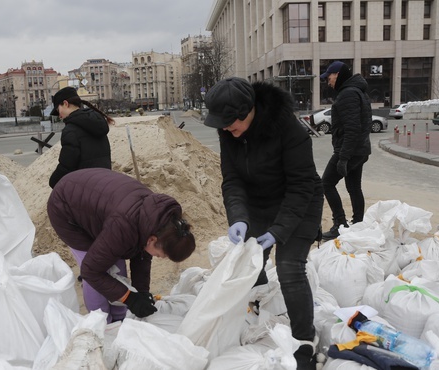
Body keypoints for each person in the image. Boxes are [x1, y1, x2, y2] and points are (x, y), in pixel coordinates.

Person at [203, 77, 324, 369]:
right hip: (259, 202)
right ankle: (257, 305)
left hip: (299, 201)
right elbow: (232, 180)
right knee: (251, 261)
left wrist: (278, 230)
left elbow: (301, 185)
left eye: (231, 124)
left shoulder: (289, 130)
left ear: (248, 111)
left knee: (289, 267)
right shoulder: (228, 131)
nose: (226, 131)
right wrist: (239, 218)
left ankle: (304, 341)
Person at [47, 168, 196, 323]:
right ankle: (101, 322)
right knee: (98, 269)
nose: (160, 257)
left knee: (117, 270)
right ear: (152, 240)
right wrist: (130, 298)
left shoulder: (156, 223)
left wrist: (141, 293)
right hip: (66, 208)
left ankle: (119, 319)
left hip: (100, 205)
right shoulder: (124, 225)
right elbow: (90, 271)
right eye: (161, 254)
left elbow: (142, 256)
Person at [319, 61, 372, 240]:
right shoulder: (357, 91)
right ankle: (358, 224)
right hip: (359, 150)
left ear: (338, 74)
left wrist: (343, 158)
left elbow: (352, 128)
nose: (328, 81)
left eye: (329, 77)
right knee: (354, 187)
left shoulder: (348, 94)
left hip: (350, 150)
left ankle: (339, 223)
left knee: (326, 183)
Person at [48, 86, 114, 188]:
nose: (59, 116)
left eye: (58, 110)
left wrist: (53, 182)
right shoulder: (97, 123)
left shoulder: (71, 130)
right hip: (105, 185)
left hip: (85, 189)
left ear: (65, 104)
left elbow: (67, 166)